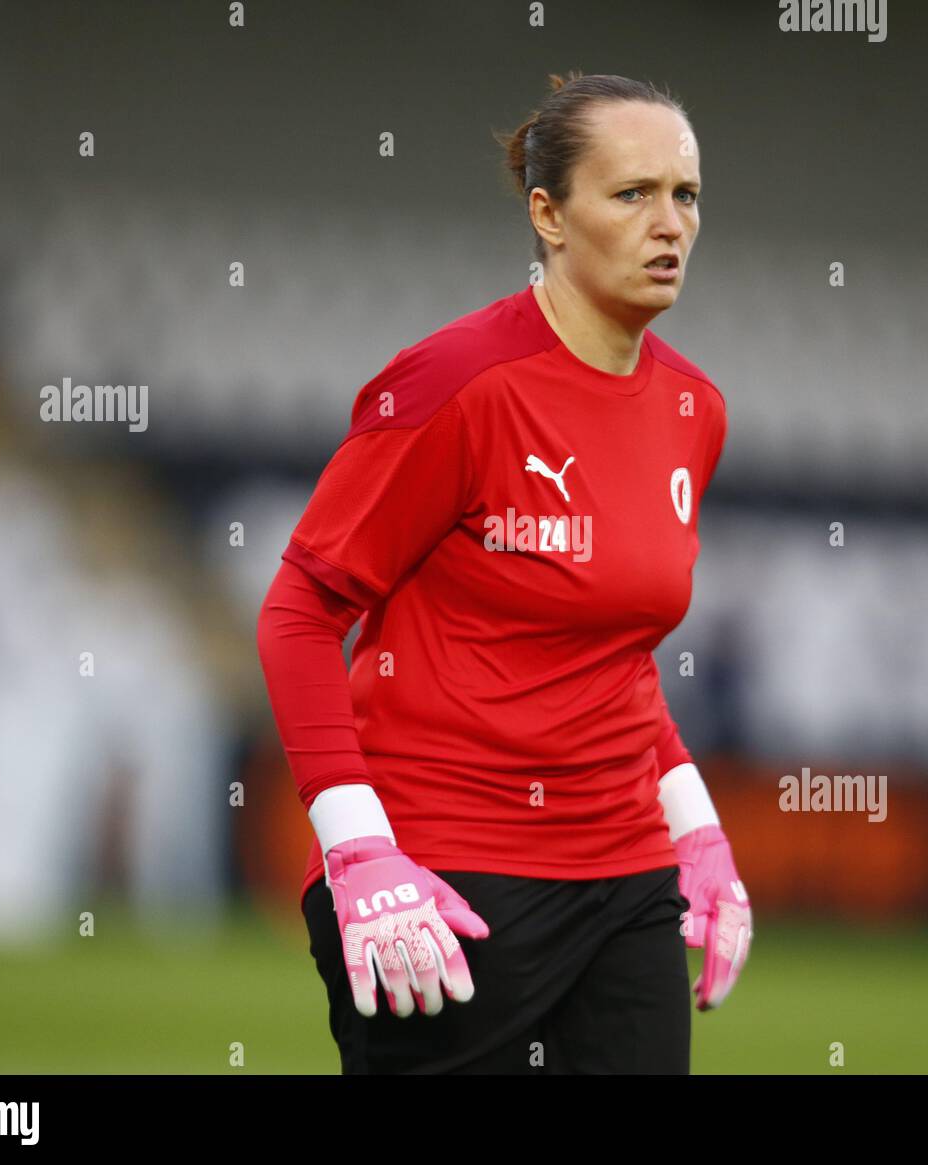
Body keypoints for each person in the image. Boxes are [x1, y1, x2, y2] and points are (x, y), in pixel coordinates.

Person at [256, 70, 751, 1075]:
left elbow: (614, 656)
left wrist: (697, 830)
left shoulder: (695, 410)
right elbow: (300, 609)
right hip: (444, 874)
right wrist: (359, 850)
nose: (670, 224)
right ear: (548, 214)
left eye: (685, 195)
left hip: (624, 872)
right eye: (632, 194)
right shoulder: (454, 385)